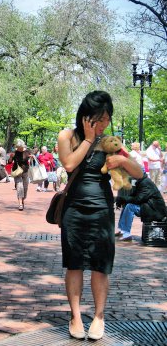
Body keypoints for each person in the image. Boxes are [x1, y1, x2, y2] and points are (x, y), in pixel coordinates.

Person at [57, 90, 143, 341]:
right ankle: (75, 316)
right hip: (74, 210)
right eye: (100, 119)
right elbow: (69, 164)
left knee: (100, 265)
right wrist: (88, 139)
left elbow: (138, 173)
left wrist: (122, 162)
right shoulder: (68, 136)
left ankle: (98, 316)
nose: (104, 124)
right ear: (86, 117)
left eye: (107, 119)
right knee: (74, 264)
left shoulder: (109, 142)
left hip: (102, 210)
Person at [115, 173, 167, 241]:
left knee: (130, 207)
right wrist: (122, 200)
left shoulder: (146, 183)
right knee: (127, 204)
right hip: (148, 206)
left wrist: (123, 199)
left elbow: (138, 199)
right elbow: (133, 196)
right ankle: (123, 231)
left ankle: (126, 234)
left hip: (154, 210)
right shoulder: (141, 181)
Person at [10, 139, 31, 210]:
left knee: (25, 188)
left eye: (21, 148)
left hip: (25, 171)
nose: (20, 149)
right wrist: (11, 157)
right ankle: (20, 204)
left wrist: (32, 157)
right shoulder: (14, 152)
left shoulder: (27, 152)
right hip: (17, 172)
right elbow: (9, 162)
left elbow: (32, 158)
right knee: (19, 187)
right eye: (18, 148)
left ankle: (22, 199)